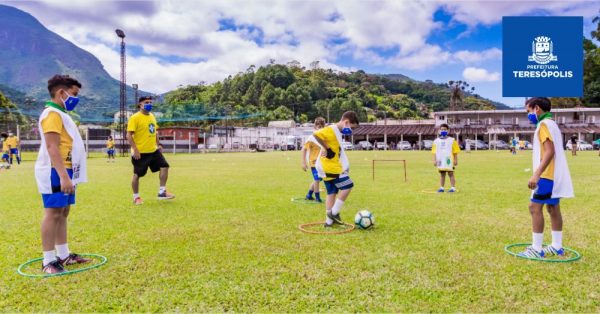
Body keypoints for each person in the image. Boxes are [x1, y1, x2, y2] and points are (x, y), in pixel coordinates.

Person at [36, 75, 90, 274]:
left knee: (64, 212)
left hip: (66, 169)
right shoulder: (52, 114)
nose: (75, 99)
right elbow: (52, 147)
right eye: (73, 94)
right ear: (61, 92)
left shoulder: (61, 114)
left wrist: (70, 175)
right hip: (54, 170)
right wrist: (63, 176)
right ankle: (48, 260)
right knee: (53, 213)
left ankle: (64, 254)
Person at [518, 97, 574, 258]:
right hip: (553, 175)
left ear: (536, 109)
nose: (528, 115)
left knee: (534, 207)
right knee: (552, 208)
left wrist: (537, 174)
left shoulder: (543, 125)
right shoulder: (552, 123)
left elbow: (550, 151)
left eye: (528, 111)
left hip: (546, 175)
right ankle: (557, 246)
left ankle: (536, 249)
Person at [313, 111, 359, 227]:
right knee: (348, 185)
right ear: (346, 122)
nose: (351, 131)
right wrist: (327, 148)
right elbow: (316, 135)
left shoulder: (336, 131)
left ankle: (328, 223)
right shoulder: (331, 129)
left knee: (331, 192)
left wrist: (326, 147)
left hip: (328, 167)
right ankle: (334, 212)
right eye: (351, 127)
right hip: (330, 167)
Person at [127, 96, 174, 205]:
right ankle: (136, 197)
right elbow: (129, 135)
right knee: (137, 175)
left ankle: (162, 192)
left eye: (150, 102)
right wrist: (135, 149)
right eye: (146, 102)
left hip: (153, 151)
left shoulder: (152, 116)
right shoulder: (135, 118)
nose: (149, 104)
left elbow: (155, 132)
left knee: (165, 166)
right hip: (140, 152)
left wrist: (158, 144)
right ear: (140, 104)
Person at [301, 117, 326, 202]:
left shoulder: (324, 137)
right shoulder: (311, 138)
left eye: (321, 126)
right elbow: (304, 149)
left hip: (322, 163)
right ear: (314, 127)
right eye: (318, 126)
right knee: (317, 179)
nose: (320, 127)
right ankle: (317, 198)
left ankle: (309, 195)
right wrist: (303, 163)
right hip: (313, 162)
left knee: (319, 179)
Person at [432, 124, 460, 193]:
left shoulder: (452, 140)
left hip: (449, 159)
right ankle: (441, 188)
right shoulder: (436, 141)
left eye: (445, 129)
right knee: (442, 174)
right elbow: (434, 152)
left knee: (451, 173)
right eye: (442, 129)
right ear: (439, 131)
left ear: (448, 130)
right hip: (440, 160)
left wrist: (455, 160)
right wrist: (434, 160)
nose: (443, 131)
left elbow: (455, 151)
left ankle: (453, 188)